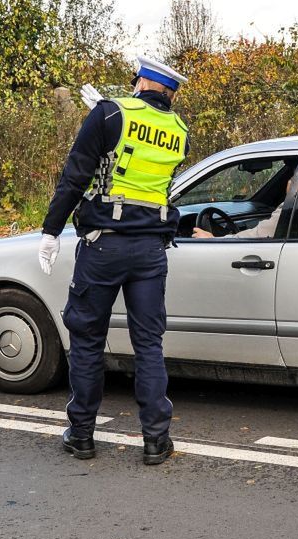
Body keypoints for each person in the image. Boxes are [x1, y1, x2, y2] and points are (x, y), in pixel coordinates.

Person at [37, 56, 189, 465]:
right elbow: (140, 158)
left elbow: (76, 176)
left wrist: (51, 231)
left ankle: (82, 435)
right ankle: (156, 440)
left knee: (87, 340)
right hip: (151, 251)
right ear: (170, 91)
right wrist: (106, 114)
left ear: (140, 81)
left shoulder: (110, 114)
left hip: (104, 245)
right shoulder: (179, 131)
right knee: (148, 345)